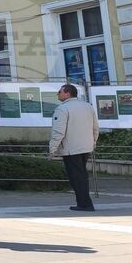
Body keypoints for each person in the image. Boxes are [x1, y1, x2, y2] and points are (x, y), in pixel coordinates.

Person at [49, 83, 99, 212]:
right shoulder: (88, 106)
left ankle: (85, 204)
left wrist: (52, 149)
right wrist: (93, 142)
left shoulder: (62, 109)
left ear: (67, 93)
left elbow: (58, 132)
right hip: (86, 147)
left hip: (71, 149)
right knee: (81, 175)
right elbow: (95, 128)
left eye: (60, 92)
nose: (58, 94)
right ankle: (84, 203)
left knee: (76, 177)